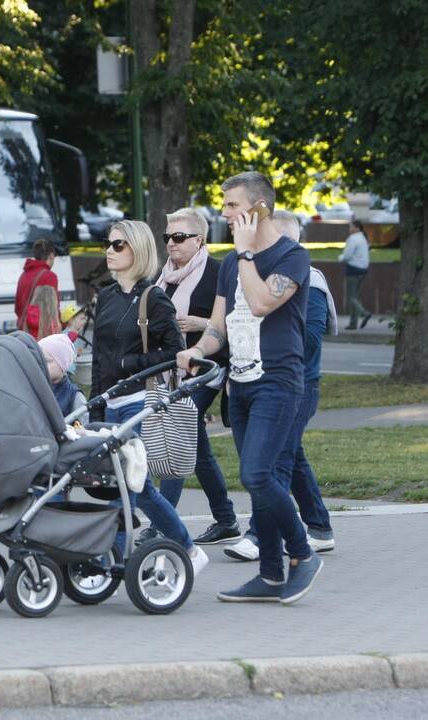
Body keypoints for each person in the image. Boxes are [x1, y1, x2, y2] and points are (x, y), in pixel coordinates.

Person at [177, 171, 322, 605]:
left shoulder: (291, 257)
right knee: (263, 480)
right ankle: (271, 574)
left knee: (258, 474)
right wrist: (197, 351)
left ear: (259, 209)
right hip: (239, 386)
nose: (224, 214)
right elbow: (219, 327)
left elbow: (261, 303)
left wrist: (245, 254)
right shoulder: (232, 266)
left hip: (278, 382)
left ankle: (303, 552)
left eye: (232, 206)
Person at [90, 220, 207, 575]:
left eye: (118, 245)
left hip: (139, 401)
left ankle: (184, 546)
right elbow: (98, 357)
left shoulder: (153, 298)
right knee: (116, 484)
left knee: (135, 485)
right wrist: (93, 402)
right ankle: (111, 558)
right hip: (109, 404)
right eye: (108, 244)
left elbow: (176, 352)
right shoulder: (106, 297)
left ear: (138, 250)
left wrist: (132, 363)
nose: (110, 251)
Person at [225, 211, 337, 561]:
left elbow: (311, 336)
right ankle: (319, 526)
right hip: (255, 379)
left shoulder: (306, 275)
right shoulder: (244, 269)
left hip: (294, 382)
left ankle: (261, 536)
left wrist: (270, 354)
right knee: (290, 454)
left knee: (276, 462)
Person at [152, 208, 240, 546]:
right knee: (198, 448)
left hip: (209, 369)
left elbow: (237, 320)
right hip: (173, 370)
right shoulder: (164, 278)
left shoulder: (218, 273)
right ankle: (226, 519)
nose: (171, 245)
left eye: (179, 237)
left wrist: (201, 324)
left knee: (178, 431)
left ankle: (163, 524)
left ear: (199, 239)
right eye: (167, 238)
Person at [38, 333, 86, 420]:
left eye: (47, 361)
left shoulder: (74, 395)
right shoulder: (35, 387)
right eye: (39, 360)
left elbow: (84, 427)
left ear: (63, 364)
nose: (42, 365)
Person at [14, 238, 59, 327]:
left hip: (24, 331)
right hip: (41, 331)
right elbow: (53, 309)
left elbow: (17, 308)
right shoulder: (49, 276)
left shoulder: (23, 275)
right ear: (51, 256)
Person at [338, 219, 371, 329]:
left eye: (351, 227)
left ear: (357, 228)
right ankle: (353, 324)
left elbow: (347, 255)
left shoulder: (353, 239)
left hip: (353, 270)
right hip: (363, 270)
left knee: (351, 298)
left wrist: (340, 258)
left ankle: (364, 313)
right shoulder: (363, 238)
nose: (350, 229)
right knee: (356, 297)